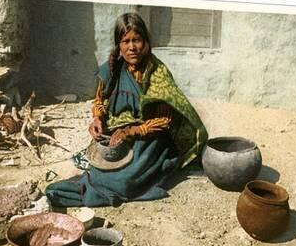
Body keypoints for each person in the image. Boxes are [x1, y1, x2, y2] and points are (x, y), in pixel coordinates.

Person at [45, 12, 208, 207]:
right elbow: (100, 100)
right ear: (119, 46)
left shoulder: (157, 73)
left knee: (126, 180)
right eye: (126, 41)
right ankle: (91, 185)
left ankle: (91, 190)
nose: (132, 47)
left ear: (146, 42)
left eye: (137, 40)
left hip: (150, 138)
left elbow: (165, 120)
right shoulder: (113, 69)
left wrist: (131, 131)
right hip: (117, 132)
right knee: (103, 165)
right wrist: (97, 119)